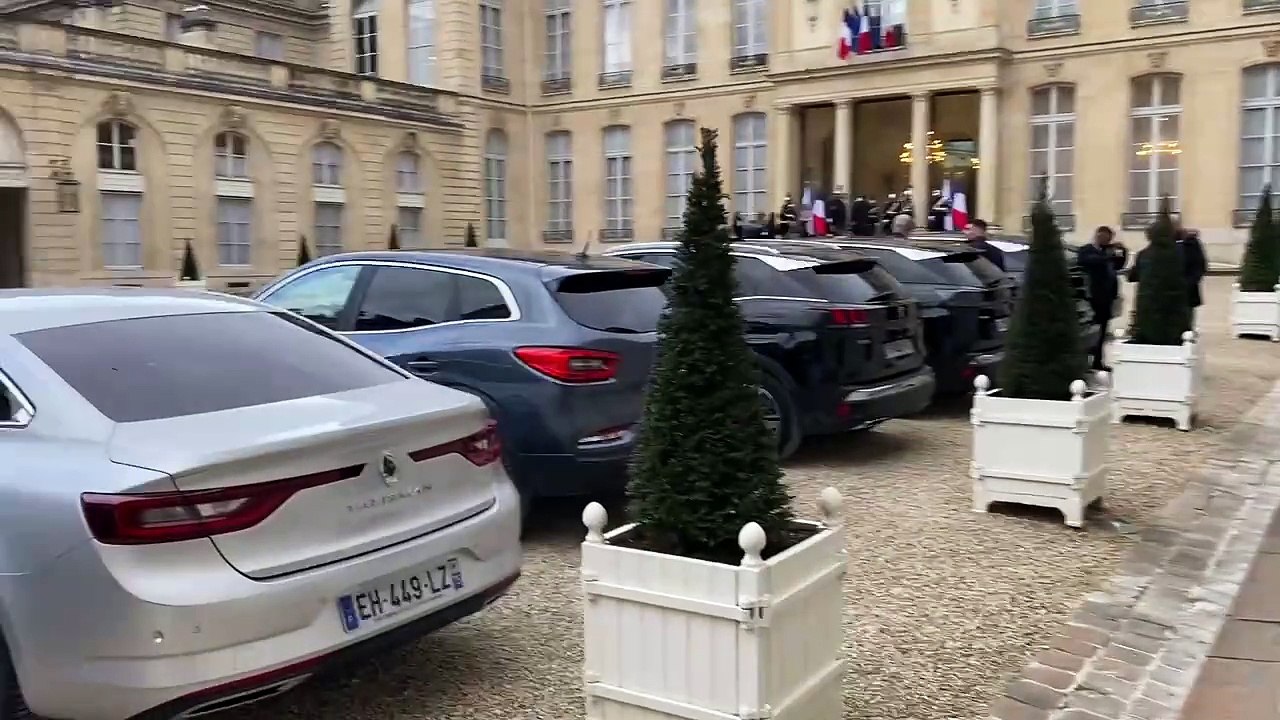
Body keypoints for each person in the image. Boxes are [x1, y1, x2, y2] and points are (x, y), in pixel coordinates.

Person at [1077, 226, 1128, 372]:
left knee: (1102, 332)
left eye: (1109, 238)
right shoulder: (1087, 250)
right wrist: (1108, 255)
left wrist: (1122, 250)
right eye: (1104, 237)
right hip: (1091, 298)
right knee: (1089, 331)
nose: (1107, 240)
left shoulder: (1108, 251)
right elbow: (1088, 261)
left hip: (1107, 298)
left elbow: (1119, 264)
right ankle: (1085, 361)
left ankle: (1098, 361)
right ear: (1098, 235)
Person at [1180, 229, 1208, 326]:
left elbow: (1201, 265)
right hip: (1186, 286)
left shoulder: (1191, 244)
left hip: (1188, 287)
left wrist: (1191, 281)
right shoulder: (1168, 245)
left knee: (1188, 312)